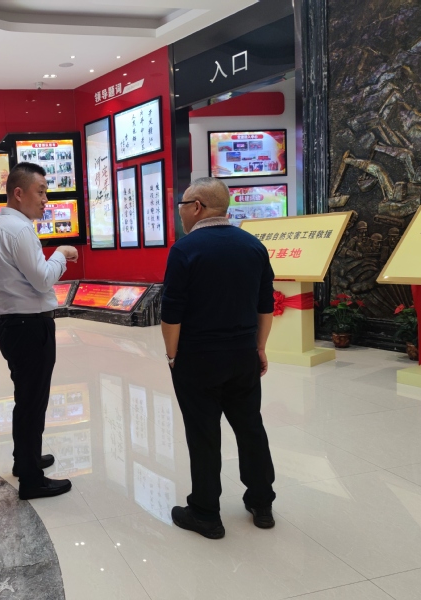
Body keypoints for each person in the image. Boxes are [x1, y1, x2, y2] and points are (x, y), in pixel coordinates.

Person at [161, 177, 276, 540]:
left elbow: (171, 315)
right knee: (250, 427)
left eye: (182, 205)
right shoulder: (253, 246)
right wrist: (259, 348)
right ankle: (262, 502)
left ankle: (206, 513)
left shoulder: (185, 250)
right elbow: (266, 306)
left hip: (198, 358)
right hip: (243, 355)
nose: (180, 213)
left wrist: (172, 355)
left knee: (203, 433)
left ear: (196, 207)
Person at [0, 162, 79, 500]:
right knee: (32, 401)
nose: (45, 199)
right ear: (19, 192)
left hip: (13, 324)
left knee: (27, 398)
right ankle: (31, 479)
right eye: (40, 192)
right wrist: (61, 254)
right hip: (29, 325)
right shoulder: (20, 230)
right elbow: (42, 278)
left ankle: (25, 459)